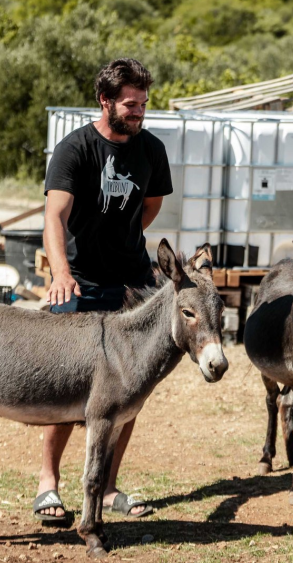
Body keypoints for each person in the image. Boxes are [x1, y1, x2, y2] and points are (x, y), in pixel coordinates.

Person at [33, 58, 173, 523]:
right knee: (64, 386)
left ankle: (109, 486)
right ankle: (47, 485)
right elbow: (54, 216)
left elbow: (149, 207)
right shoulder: (75, 149)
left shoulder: (151, 150)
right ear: (105, 101)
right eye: (130, 105)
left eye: (143, 104)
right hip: (79, 283)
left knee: (130, 388)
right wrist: (60, 272)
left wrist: (123, 235)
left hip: (133, 285)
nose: (138, 112)